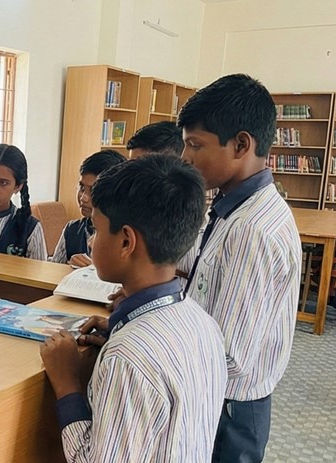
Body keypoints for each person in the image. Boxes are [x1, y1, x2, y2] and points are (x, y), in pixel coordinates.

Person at [40, 154, 228, 462]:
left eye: (97, 230)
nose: (90, 243)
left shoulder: (127, 357)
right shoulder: (202, 321)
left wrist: (67, 383)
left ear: (127, 242)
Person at [177, 73, 301, 462]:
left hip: (229, 410)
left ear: (241, 145)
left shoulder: (252, 230)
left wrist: (153, 342)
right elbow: (201, 269)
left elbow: (228, 355)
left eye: (195, 145)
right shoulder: (232, 207)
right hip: (219, 396)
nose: (185, 158)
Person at [50, 150, 125, 266]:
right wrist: (68, 266)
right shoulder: (72, 230)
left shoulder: (125, 236)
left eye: (93, 190)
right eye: (81, 188)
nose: (84, 198)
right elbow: (52, 271)